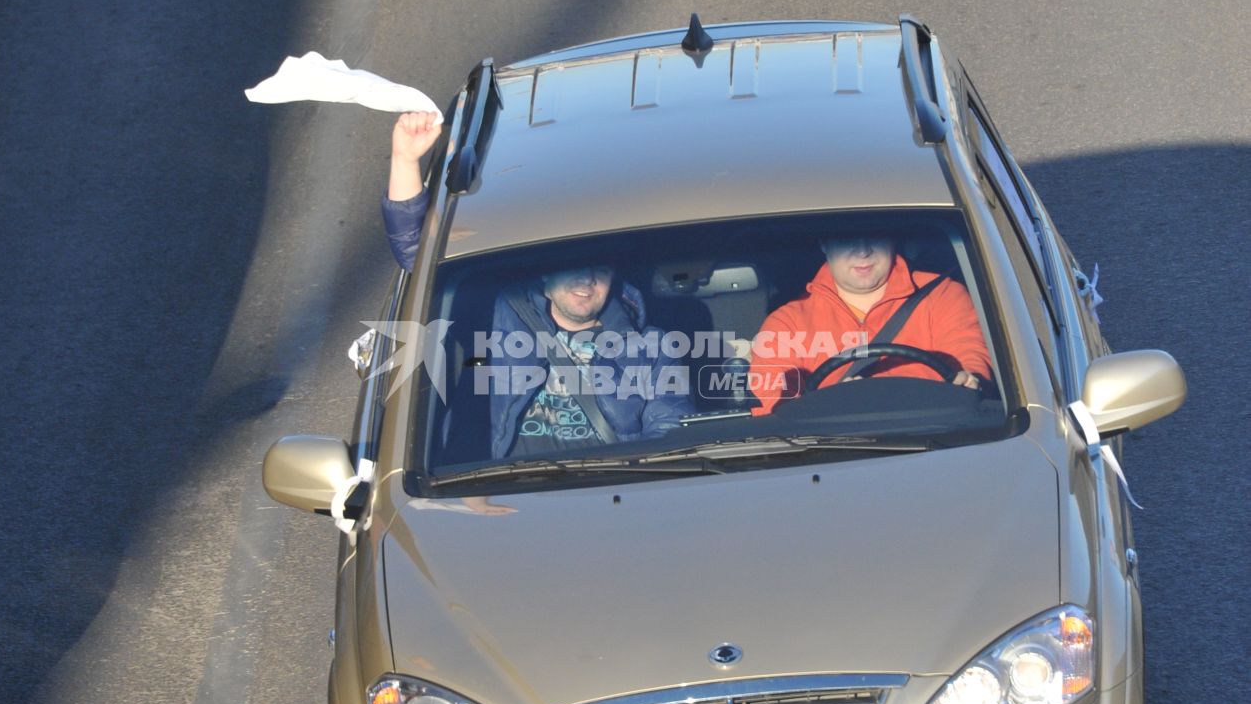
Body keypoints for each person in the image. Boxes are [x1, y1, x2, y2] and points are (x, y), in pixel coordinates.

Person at [381, 111, 693, 459]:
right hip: (501, 493)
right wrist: (406, 159)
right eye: (570, 268)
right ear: (546, 274)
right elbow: (418, 255)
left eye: (598, 271)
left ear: (613, 279)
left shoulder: (651, 348)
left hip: (608, 493)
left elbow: (671, 430)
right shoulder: (497, 319)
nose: (585, 280)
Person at [747, 219, 992, 416]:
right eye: (846, 238)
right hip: (831, 457)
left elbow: (970, 360)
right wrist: (833, 405)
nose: (863, 251)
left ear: (891, 238)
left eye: (874, 234)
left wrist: (969, 380)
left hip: (940, 442)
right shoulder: (786, 324)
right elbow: (776, 408)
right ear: (825, 243)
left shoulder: (943, 295)